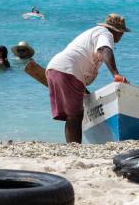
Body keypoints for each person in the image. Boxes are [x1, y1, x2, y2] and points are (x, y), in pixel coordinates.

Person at [46, 13, 130, 143]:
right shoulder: (105, 33)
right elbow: (104, 49)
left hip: (56, 69)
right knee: (75, 115)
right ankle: (74, 147)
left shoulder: (95, 32)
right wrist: (116, 74)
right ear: (116, 31)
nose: (122, 36)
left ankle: (73, 146)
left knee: (72, 115)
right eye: (122, 32)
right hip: (67, 70)